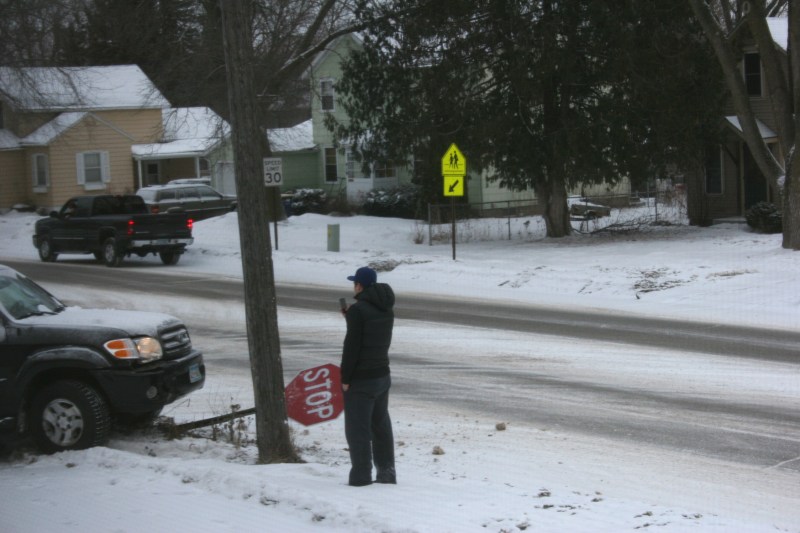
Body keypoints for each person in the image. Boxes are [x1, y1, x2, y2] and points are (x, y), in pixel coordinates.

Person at [340, 266, 396, 486]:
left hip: (361, 380)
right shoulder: (386, 308)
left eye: (355, 283)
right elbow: (371, 335)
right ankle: (387, 473)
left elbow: (352, 348)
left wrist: (346, 379)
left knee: (358, 430)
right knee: (380, 426)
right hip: (382, 375)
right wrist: (351, 318)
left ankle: (361, 478)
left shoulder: (358, 311)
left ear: (359, 285)